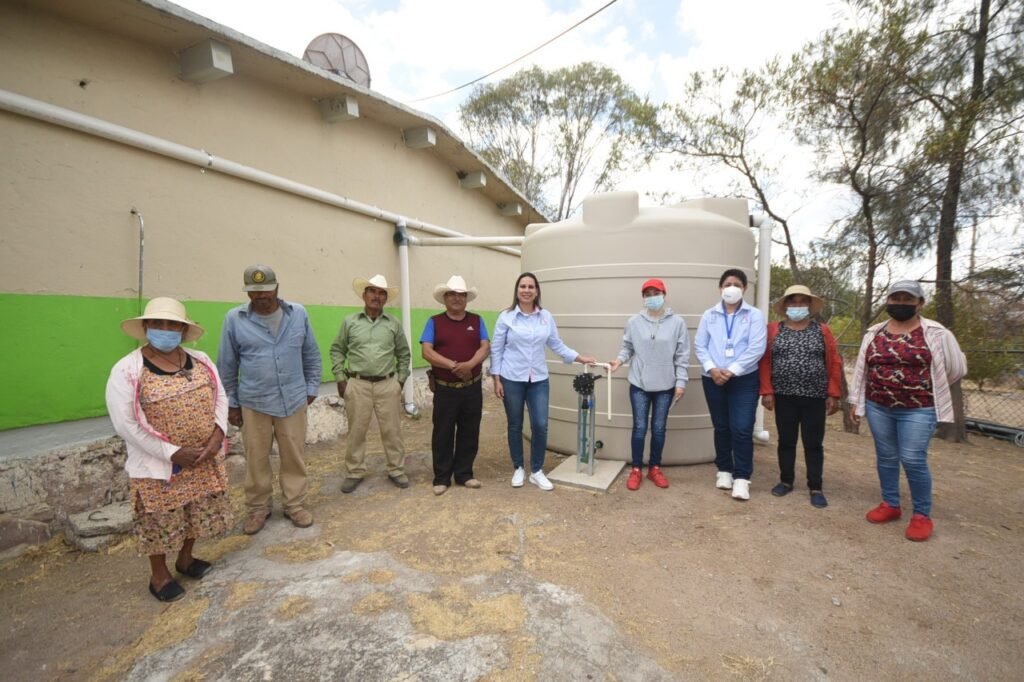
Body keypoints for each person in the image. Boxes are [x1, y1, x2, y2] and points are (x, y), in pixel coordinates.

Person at [106, 297, 233, 602]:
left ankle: (186, 559)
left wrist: (218, 434)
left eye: (172, 324)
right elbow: (126, 424)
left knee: (197, 510)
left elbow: (221, 397)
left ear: (182, 329)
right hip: (161, 465)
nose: (166, 329)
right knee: (159, 519)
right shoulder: (127, 370)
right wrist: (172, 452)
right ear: (146, 327)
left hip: (203, 457)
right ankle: (159, 575)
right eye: (158, 324)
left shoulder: (200, 359)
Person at [849, 280, 967, 541]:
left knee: (913, 458)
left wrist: (925, 385)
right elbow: (862, 369)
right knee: (886, 456)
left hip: (919, 408)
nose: (900, 304)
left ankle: (921, 515)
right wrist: (857, 402)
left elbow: (957, 368)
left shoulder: (937, 333)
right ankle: (890, 504)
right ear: (888, 301)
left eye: (907, 299)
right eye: (895, 299)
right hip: (878, 405)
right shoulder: (875, 333)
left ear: (920, 303)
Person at [217, 265, 322, 535]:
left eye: (265, 290)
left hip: (293, 399)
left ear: (277, 287)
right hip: (254, 402)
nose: (260, 296)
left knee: (294, 455)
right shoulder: (234, 318)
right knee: (256, 458)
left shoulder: (298, 314)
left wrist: (311, 386)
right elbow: (227, 363)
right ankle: (258, 508)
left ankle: (294, 504)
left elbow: (311, 353)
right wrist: (232, 403)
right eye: (254, 291)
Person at [490, 272, 596, 491]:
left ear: (537, 291)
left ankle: (537, 471)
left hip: (538, 378)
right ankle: (519, 467)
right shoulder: (506, 317)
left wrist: (579, 357)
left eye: (531, 287)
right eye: (523, 286)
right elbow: (496, 349)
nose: (526, 290)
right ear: (517, 291)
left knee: (540, 424)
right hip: (511, 378)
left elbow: (556, 344)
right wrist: (496, 378)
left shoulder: (546, 317)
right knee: (515, 424)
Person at [758, 285, 843, 508]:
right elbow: (765, 361)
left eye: (801, 302)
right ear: (785, 306)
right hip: (784, 395)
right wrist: (767, 391)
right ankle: (786, 481)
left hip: (814, 396)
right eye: (792, 302)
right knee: (786, 441)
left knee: (813, 443)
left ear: (809, 306)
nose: (797, 306)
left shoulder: (822, 330)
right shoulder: (773, 330)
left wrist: (833, 393)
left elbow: (834, 361)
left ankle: (815, 486)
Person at [331, 274, 412, 493]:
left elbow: (404, 354)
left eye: (381, 293)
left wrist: (400, 381)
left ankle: (396, 469)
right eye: (372, 292)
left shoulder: (393, 324)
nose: (376, 297)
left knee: (392, 430)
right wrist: (340, 378)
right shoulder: (350, 322)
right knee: (356, 430)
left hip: (387, 384)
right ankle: (355, 471)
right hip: (357, 384)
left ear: (386, 298)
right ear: (364, 295)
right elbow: (337, 350)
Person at [609, 278, 689, 491]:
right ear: (643, 298)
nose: (652, 297)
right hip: (639, 384)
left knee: (659, 428)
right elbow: (627, 347)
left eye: (656, 293)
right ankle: (636, 469)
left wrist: (680, 381)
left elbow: (682, 356)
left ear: (664, 294)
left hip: (665, 385)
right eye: (648, 294)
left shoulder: (677, 323)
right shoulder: (634, 322)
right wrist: (618, 361)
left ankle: (655, 467)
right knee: (640, 428)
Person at [695, 268, 767, 501]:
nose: (731, 287)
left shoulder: (754, 315)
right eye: (727, 284)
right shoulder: (709, 315)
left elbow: (757, 347)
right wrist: (712, 369)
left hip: (744, 379)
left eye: (736, 284)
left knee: (743, 427)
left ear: (744, 289)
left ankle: (742, 478)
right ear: (720, 288)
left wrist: (732, 370)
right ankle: (724, 470)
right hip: (712, 377)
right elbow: (700, 345)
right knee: (722, 426)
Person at [419, 275, 491, 496]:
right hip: (445, 388)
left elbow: (485, 347)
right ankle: (441, 477)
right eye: (452, 294)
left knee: (470, 430)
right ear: (445, 297)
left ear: (466, 298)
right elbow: (427, 351)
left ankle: (464, 474)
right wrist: (453, 365)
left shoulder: (477, 321)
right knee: (443, 432)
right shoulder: (434, 321)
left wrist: (470, 364)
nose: (457, 298)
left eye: (461, 295)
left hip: (472, 387)